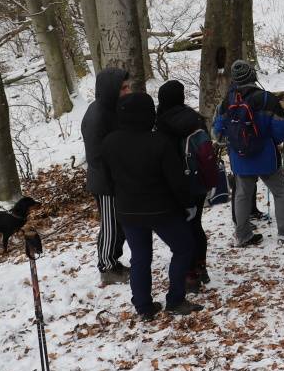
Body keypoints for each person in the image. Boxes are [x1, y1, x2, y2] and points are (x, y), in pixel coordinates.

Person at [102, 92, 202, 320]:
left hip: (128, 210)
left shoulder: (109, 142)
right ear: (148, 114)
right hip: (162, 210)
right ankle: (175, 300)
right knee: (184, 247)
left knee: (140, 256)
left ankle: (143, 306)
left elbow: (109, 180)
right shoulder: (159, 142)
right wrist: (188, 204)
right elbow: (176, 181)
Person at [213, 60, 284, 248]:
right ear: (253, 76)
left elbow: (217, 132)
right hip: (266, 155)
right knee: (280, 192)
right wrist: (271, 140)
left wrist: (234, 141)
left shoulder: (228, 100)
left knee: (242, 194)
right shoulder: (266, 98)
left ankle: (242, 235)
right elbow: (282, 128)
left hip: (239, 157)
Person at [155, 80, 217, 291]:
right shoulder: (195, 119)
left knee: (183, 229)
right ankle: (200, 267)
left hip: (174, 184)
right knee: (196, 224)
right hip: (197, 182)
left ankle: (188, 274)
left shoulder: (160, 123)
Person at [82, 67, 132, 286]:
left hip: (117, 178)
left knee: (119, 222)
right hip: (106, 182)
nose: (128, 91)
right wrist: (116, 178)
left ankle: (113, 261)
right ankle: (107, 267)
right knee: (111, 225)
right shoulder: (98, 115)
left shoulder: (113, 108)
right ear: (111, 89)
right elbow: (97, 156)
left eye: (128, 86)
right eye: (123, 88)